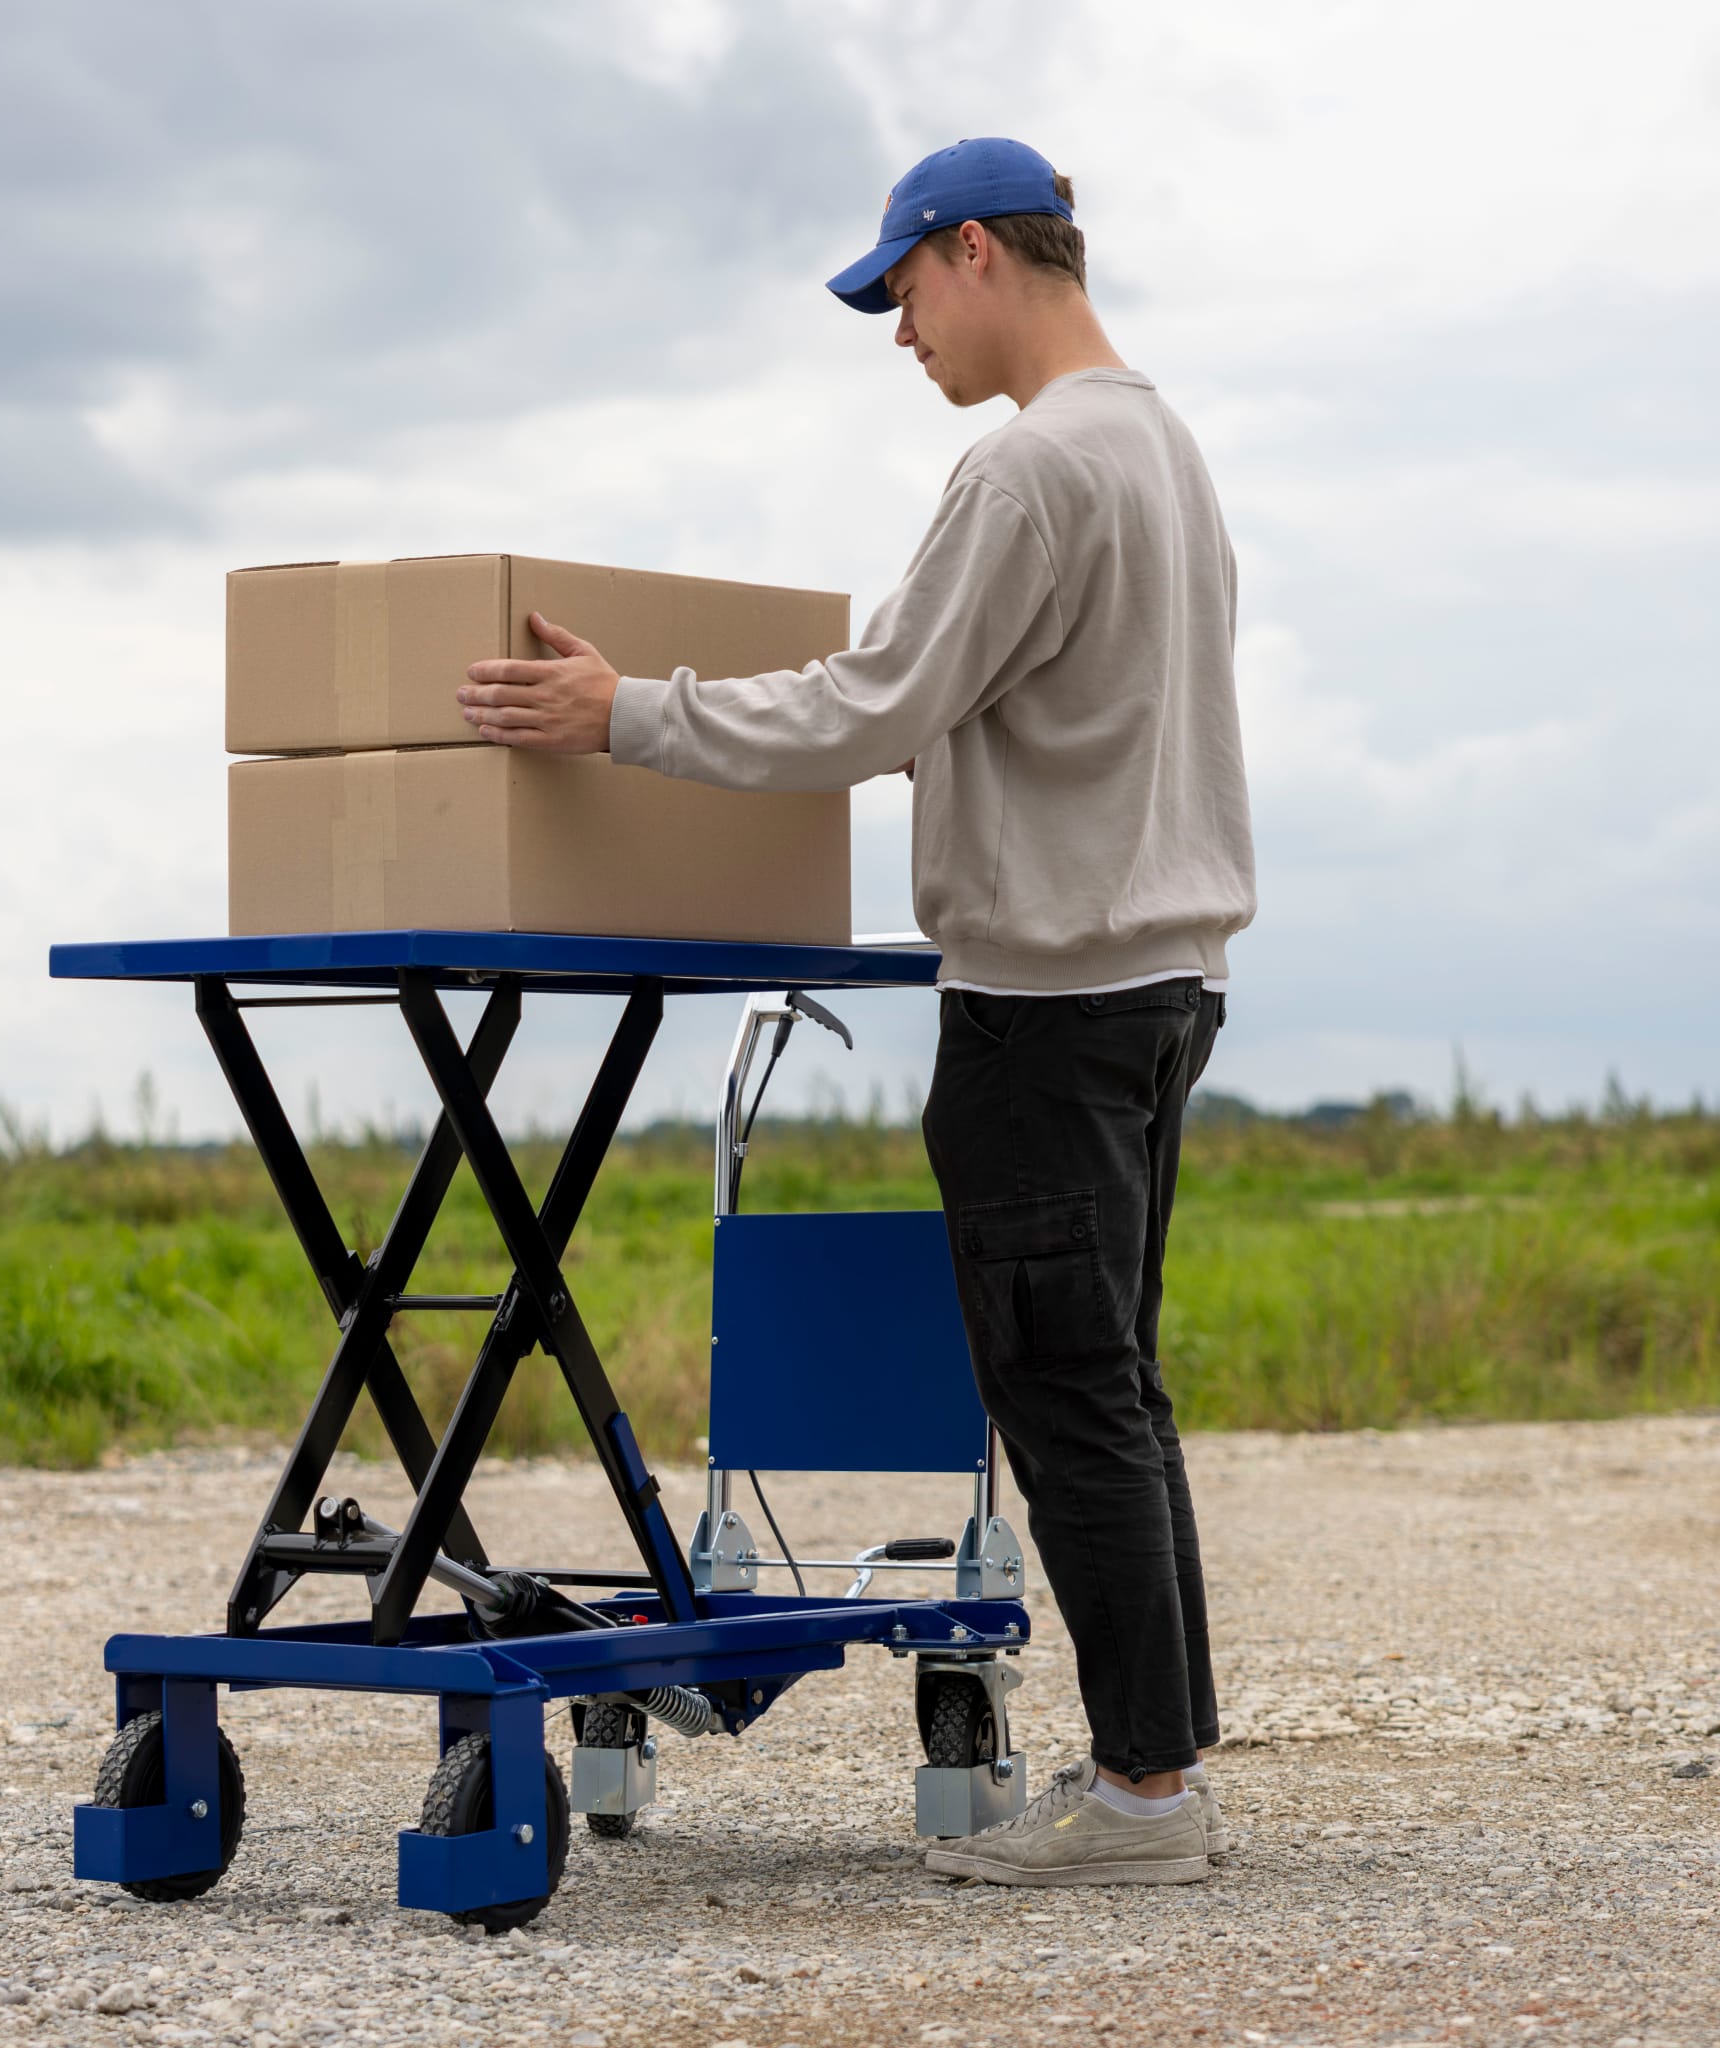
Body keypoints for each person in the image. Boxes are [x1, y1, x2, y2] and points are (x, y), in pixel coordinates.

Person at [455, 137, 1255, 1889]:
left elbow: (872, 708)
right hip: (1165, 985)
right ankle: (1161, 1773)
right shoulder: (1165, 446)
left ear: (974, 251)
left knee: (1068, 1398)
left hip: (1049, 1001)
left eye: (900, 293)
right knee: (1113, 1387)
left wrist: (624, 715)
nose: (899, 335)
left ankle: (1142, 1803)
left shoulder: (1030, 471)